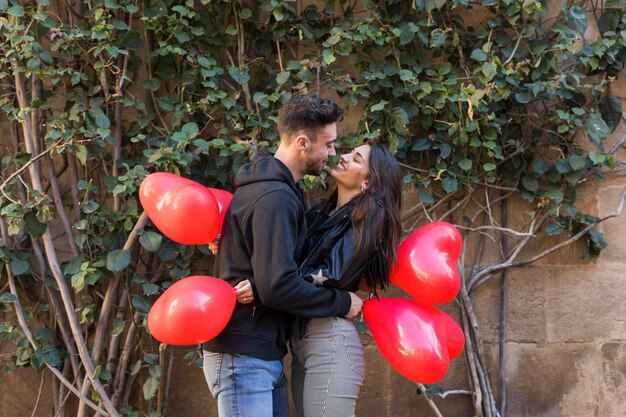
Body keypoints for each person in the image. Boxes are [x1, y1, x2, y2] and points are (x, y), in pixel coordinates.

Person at [201, 93, 364, 417]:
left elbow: (271, 271)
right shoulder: (275, 196)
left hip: (261, 353)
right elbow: (279, 284)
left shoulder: (277, 190)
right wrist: (344, 303)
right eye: (329, 143)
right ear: (303, 142)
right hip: (243, 355)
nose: (333, 152)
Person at [236, 141, 403, 417]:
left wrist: (264, 286)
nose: (344, 156)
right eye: (350, 152)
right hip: (305, 344)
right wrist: (236, 240)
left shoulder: (369, 218)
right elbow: (280, 251)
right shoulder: (319, 214)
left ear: (370, 182)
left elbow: (330, 276)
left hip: (330, 343)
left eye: (357, 158)